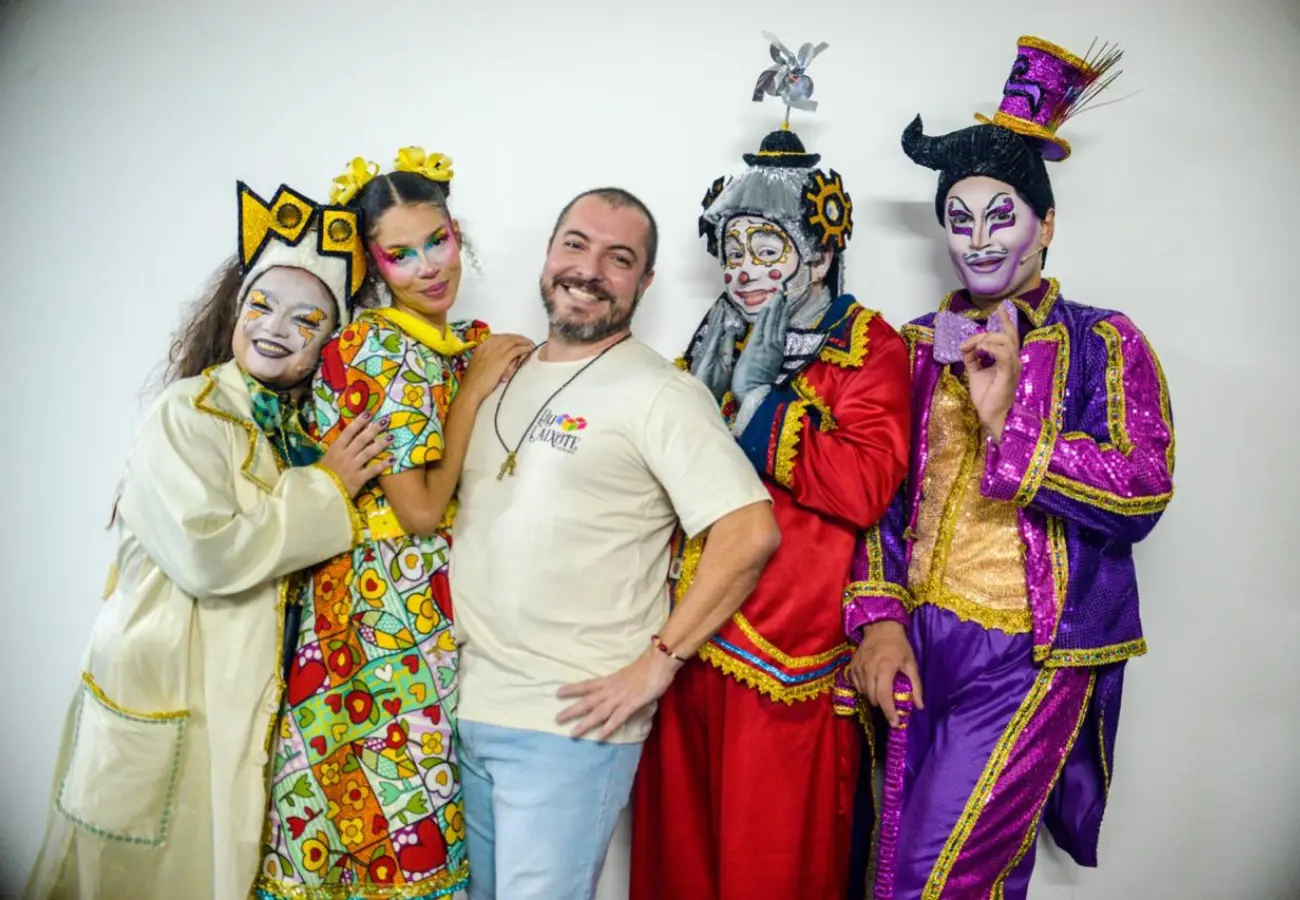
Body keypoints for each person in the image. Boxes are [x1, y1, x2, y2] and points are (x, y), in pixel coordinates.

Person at [844, 36, 1176, 899]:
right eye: (960, 219)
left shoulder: (1103, 341)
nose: (980, 240)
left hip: (1029, 652)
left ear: (1046, 223)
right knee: (936, 867)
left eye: (1002, 215)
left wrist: (1010, 428)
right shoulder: (916, 344)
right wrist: (879, 621)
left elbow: (1144, 489)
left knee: (927, 880)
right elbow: (881, 500)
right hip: (920, 641)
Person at [23, 182, 387, 900]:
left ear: (329, 343)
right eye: (262, 306)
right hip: (166, 686)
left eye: (307, 319)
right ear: (236, 311)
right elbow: (208, 554)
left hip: (249, 702)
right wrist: (328, 488)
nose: (276, 328)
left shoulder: (305, 430)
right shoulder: (184, 414)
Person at [630, 32, 912, 900]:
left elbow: (865, 486)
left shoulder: (866, 344)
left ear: (818, 254)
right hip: (684, 635)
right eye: (735, 251)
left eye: (768, 250)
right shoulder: (708, 339)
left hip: (788, 647)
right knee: (681, 865)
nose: (745, 272)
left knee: (771, 867)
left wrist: (761, 405)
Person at [448, 186, 780, 900]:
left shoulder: (660, 392)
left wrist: (658, 664)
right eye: (576, 244)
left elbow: (750, 529)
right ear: (549, 253)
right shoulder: (496, 374)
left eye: (618, 258)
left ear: (644, 282)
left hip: (569, 722)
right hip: (465, 706)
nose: (589, 269)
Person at [256, 148, 532, 900]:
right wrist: (473, 391)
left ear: (457, 231)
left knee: (414, 808)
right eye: (400, 254)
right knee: (389, 811)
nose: (428, 267)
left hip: (430, 603)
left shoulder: (457, 344)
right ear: (373, 264)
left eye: (437, 241)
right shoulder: (375, 347)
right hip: (378, 612)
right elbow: (418, 510)